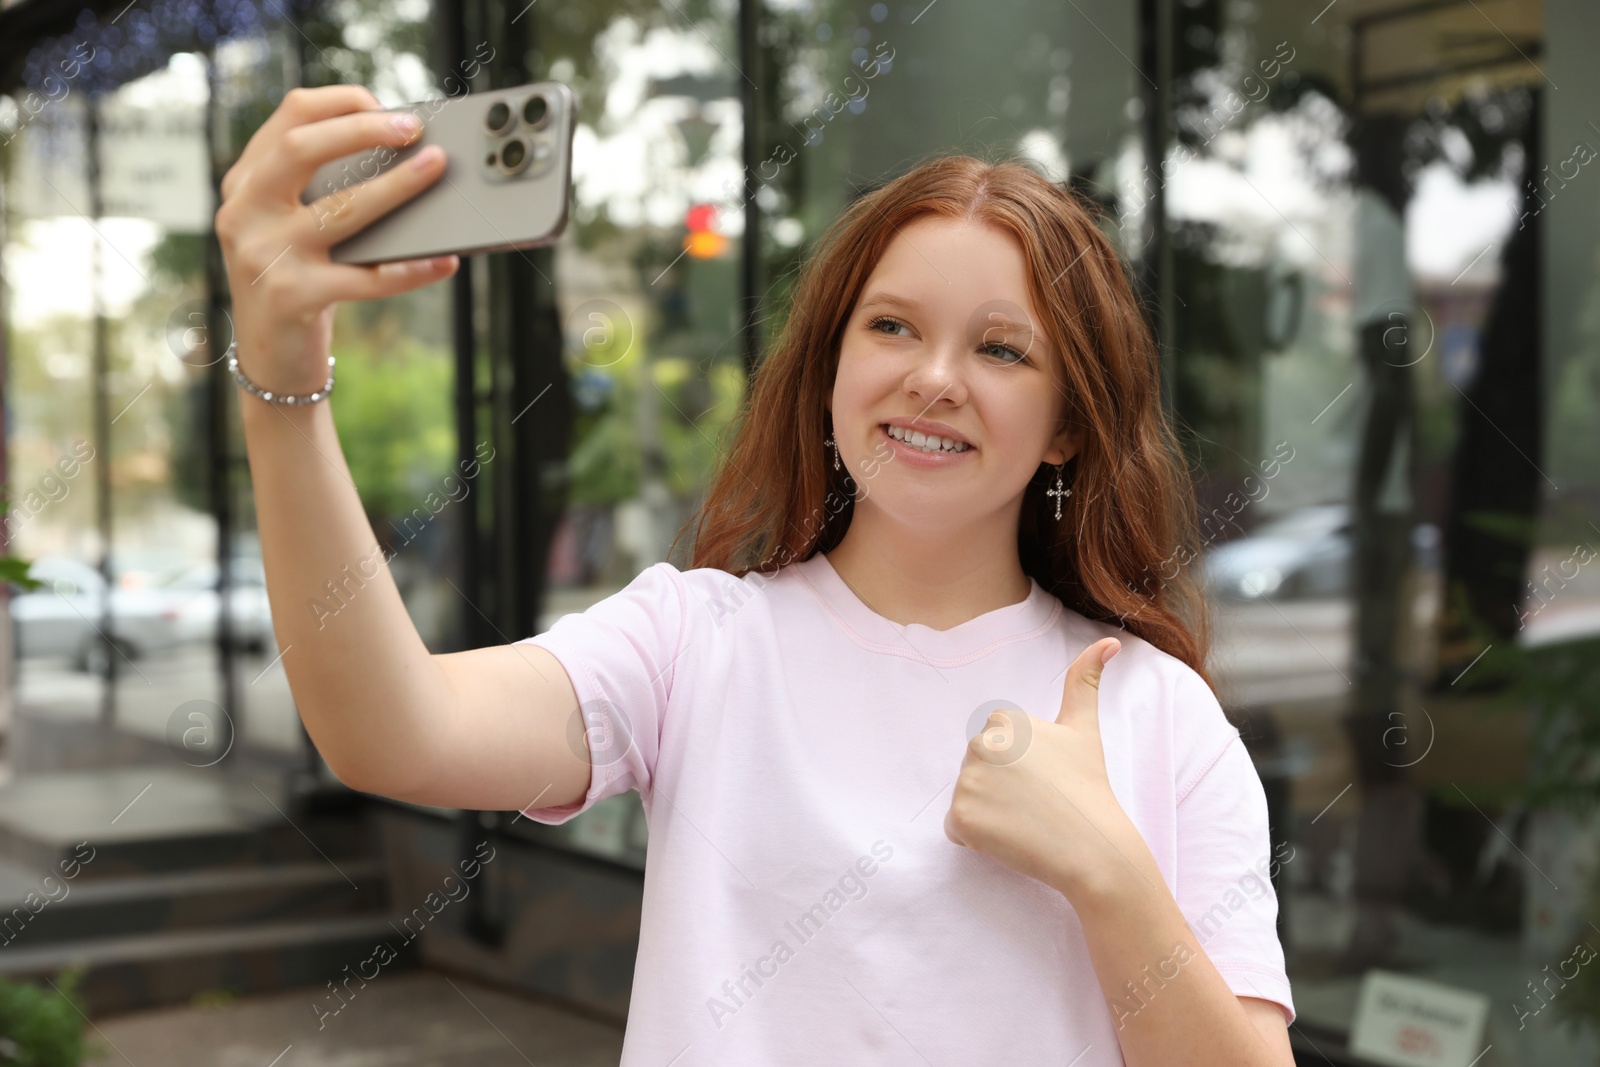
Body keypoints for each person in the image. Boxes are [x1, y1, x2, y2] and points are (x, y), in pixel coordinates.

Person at [217, 84, 1296, 1066]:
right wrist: (282, 384)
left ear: (1066, 425)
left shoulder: (1159, 714)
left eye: (1001, 350)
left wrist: (1107, 872)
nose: (932, 378)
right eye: (891, 326)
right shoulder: (694, 644)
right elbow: (385, 728)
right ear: (831, 367)